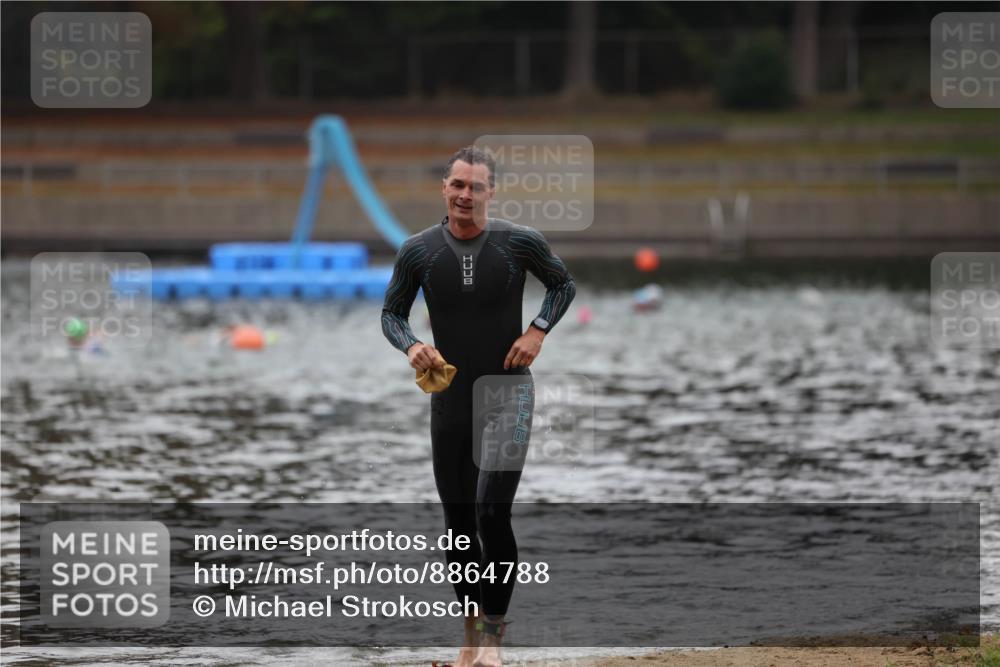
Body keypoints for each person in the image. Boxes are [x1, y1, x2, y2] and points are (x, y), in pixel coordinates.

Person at [381, 146, 576, 667]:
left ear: (491, 193)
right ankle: (469, 644)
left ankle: (492, 644)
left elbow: (563, 285)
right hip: (449, 400)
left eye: (477, 187)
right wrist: (411, 345)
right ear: (444, 188)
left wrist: (537, 331)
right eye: (458, 185)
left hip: (508, 391)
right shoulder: (418, 251)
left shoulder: (518, 244)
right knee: (460, 521)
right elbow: (391, 314)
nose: (466, 195)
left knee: (492, 511)